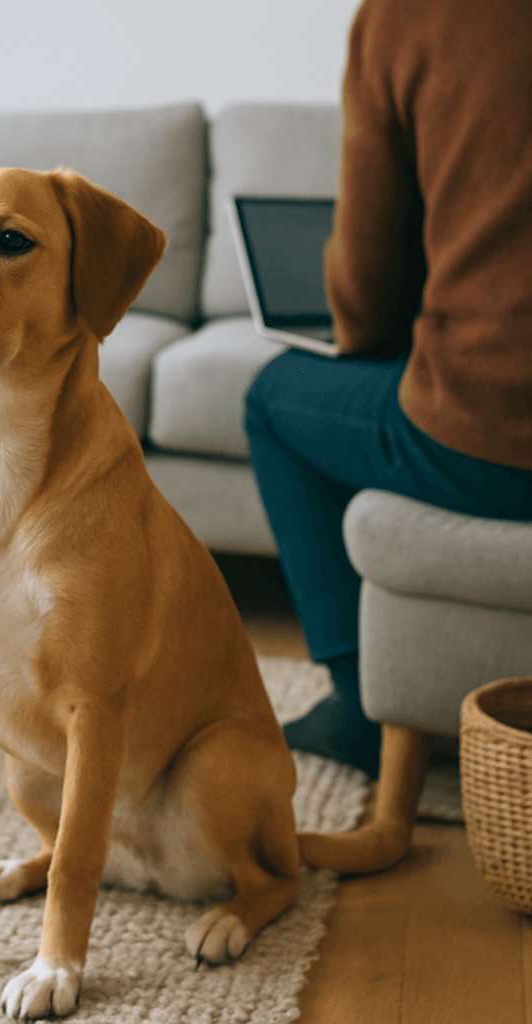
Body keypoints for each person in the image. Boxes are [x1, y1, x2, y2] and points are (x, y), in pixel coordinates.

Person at [244, 0, 532, 777]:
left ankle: (356, 700)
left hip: (490, 442)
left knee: (271, 400)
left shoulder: (406, 17)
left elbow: (368, 303)